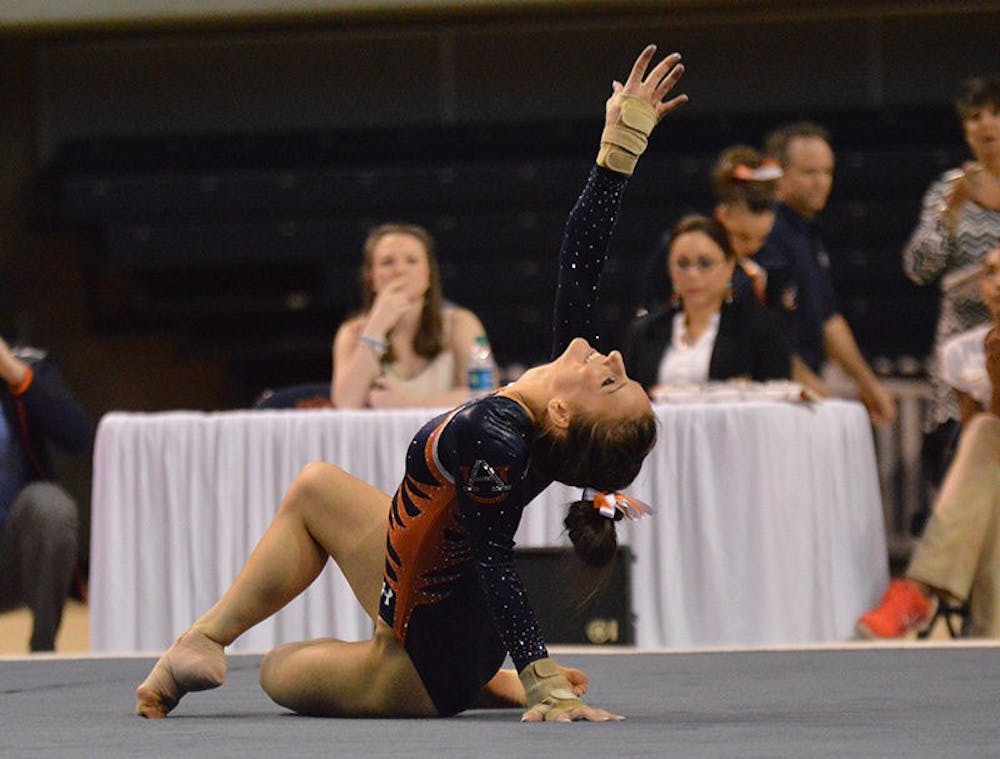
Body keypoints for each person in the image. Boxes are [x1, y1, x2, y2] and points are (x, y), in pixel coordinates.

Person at [135, 44, 686, 723]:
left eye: (614, 383)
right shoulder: (543, 405)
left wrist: (544, 682)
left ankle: (488, 681)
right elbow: (580, 260)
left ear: (569, 414)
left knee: (279, 671)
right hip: (434, 601)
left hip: (423, 669)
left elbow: (493, 559)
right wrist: (621, 141)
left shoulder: (500, 435)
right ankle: (199, 640)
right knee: (315, 486)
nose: (616, 361)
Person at [856, 245, 1000, 638]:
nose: (998, 282)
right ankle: (989, 644)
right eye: (989, 272)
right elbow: (973, 446)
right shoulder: (963, 350)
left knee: (988, 435)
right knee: (986, 443)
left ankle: (919, 589)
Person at [757, 121, 897, 424]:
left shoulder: (808, 233)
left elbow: (828, 319)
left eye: (827, 172)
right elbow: (760, 323)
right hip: (770, 389)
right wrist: (802, 379)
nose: (821, 182)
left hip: (802, 385)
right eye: (809, 172)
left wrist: (868, 383)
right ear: (778, 172)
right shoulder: (765, 232)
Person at [902, 75, 1000, 481]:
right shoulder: (948, 188)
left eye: (996, 114)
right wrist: (951, 214)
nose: (987, 124)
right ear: (965, 129)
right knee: (960, 470)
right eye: (975, 116)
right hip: (963, 349)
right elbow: (918, 268)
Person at [623, 214, 790, 393]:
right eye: (682, 264)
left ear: (729, 266)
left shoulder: (760, 329)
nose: (692, 275)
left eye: (705, 264)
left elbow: (777, 396)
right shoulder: (644, 332)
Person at [331, 223, 491, 409]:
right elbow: (344, 405)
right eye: (387, 262)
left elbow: (484, 396)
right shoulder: (352, 332)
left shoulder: (461, 323)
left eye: (412, 261)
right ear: (370, 277)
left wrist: (409, 403)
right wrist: (377, 325)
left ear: (429, 274)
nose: (400, 270)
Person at [0, 335, 93, 652]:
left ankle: (43, 651)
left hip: (13, 553)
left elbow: (78, 437)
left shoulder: (24, 363)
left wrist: (15, 374)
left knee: (51, 507)